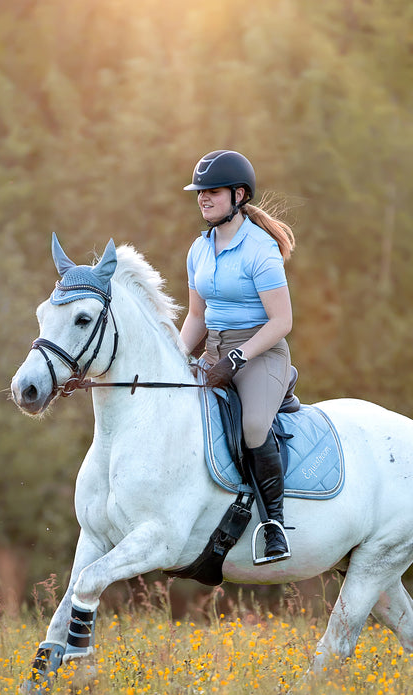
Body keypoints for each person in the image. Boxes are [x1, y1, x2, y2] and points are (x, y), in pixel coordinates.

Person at [179, 150, 296, 564]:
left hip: (259, 351)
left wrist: (239, 359)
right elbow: (196, 315)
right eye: (200, 192)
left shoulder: (260, 250)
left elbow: (282, 321)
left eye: (212, 192)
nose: (203, 199)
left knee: (251, 427)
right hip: (213, 349)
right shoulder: (199, 249)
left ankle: (274, 526)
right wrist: (177, 357)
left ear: (238, 195)